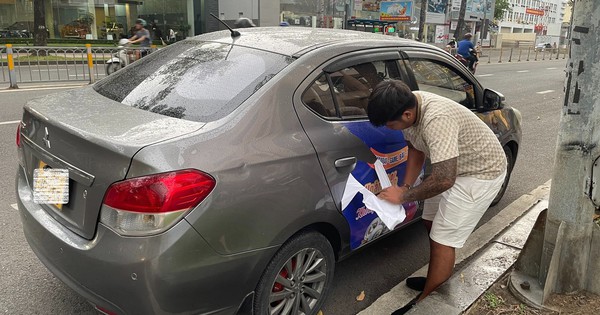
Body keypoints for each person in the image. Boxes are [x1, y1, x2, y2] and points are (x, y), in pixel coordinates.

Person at [367, 80, 507, 314]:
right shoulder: (409, 104)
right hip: (452, 168)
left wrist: (402, 198)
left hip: (480, 172)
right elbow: (415, 148)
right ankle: (437, 279)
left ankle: (427, 304)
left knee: (444, 239)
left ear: (407, 114)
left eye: (390, 125)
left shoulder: (436, 119)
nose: (390, 129)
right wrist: (405, 187)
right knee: (430, 222)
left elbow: (443, 180)